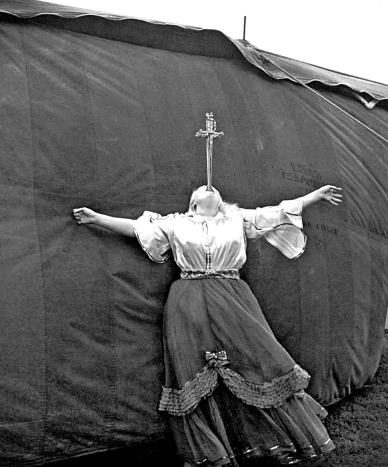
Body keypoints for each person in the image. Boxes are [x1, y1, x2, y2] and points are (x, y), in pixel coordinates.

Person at [73, 184, 343, 466]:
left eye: (212, 187)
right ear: (193, 203)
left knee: (254, 360)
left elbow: (277, 213)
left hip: (232, 298)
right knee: (194, 369)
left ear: (220, 201)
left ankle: (273, 439)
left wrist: (315, 196)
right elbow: (136, 228)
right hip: (187, 300)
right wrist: (97, 218)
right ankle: (212, 450)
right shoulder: (176, 223)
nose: (208, 186)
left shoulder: (238, 218)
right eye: (202, 187)